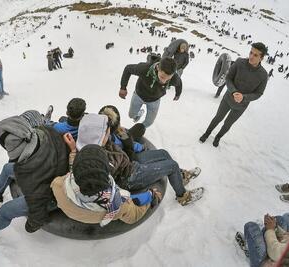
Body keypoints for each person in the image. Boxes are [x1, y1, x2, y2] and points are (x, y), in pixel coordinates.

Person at [67, 114, 204, 206]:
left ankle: (179, 177)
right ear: (98, 136)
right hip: (130, 177)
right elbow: (107, 184)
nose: (109, 131)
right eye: (106, 130)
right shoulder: (97, 160)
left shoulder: (95, 142)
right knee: (172, 165)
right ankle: (183, 196)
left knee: (163, 153)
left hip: (129, 163)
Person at [0, 112, 69, 236]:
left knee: (6, 210)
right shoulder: (40, 137)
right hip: (41, 172)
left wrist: (32, 224)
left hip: (51, 193)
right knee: (8, 168)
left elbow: (39, 204)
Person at [51, 144, 161, 226]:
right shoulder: (117, 204)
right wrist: (151, 196)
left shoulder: (57, 185)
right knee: (143, 197)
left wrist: (73, 152)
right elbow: (134, 216)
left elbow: (72, 177)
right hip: (98, 215)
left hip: (74, 211)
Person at [199, 43, 268, 147]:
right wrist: (233, 91)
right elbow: (228, 78)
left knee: (228, 124)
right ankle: (207, 133)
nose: (251, 56)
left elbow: (259, 93)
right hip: (228, 99)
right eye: (251, 52)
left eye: (255, 55)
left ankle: (218, 137)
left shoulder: (263, 75)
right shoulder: (240, 62)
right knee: (218, 117)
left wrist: (244, 97)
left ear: (261, 58)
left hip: (241, 106)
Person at [119, 57, 182, 128]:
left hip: (154, 100)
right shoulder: (144, 69)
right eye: (162, 77)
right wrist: (123, 87)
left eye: (168, 79)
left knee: (149, 122)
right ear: (158, 68)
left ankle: (138, 129)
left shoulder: (174, 78)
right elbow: (128, 69)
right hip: (139, 95)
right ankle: (139, 113)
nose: (164, 82)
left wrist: (178, 94)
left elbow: (179, 84)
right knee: (131, 115)